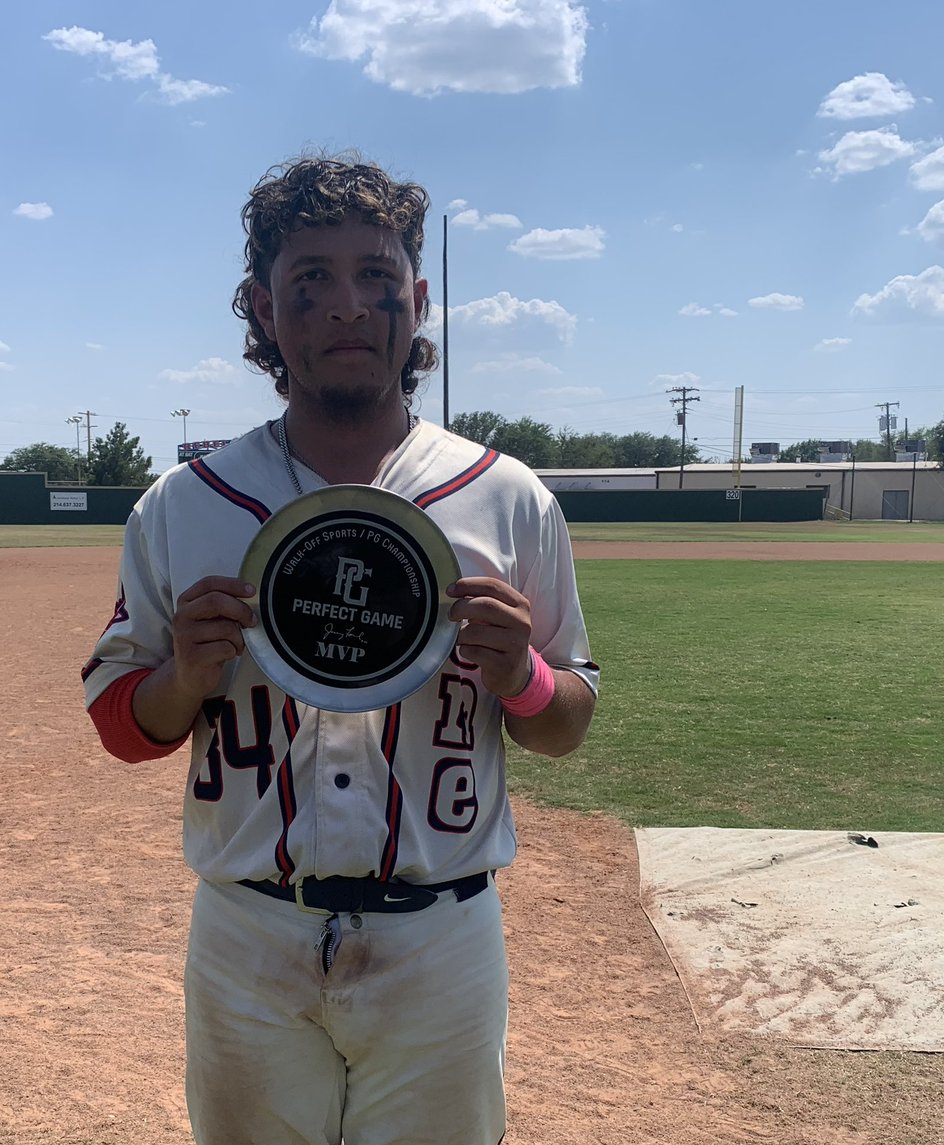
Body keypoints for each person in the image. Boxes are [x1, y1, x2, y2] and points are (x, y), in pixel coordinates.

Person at [83, 155, 599, 1145]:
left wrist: (521, 676)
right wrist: (184, 677)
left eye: (374, 274)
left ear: (417, 296)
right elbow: (121, 724)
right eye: (308, 278)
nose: (346, 304)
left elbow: (568, 720)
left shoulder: (506, 495)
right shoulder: (188, 505)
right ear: (262, 309)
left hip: (442, 936)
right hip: (249, 931)